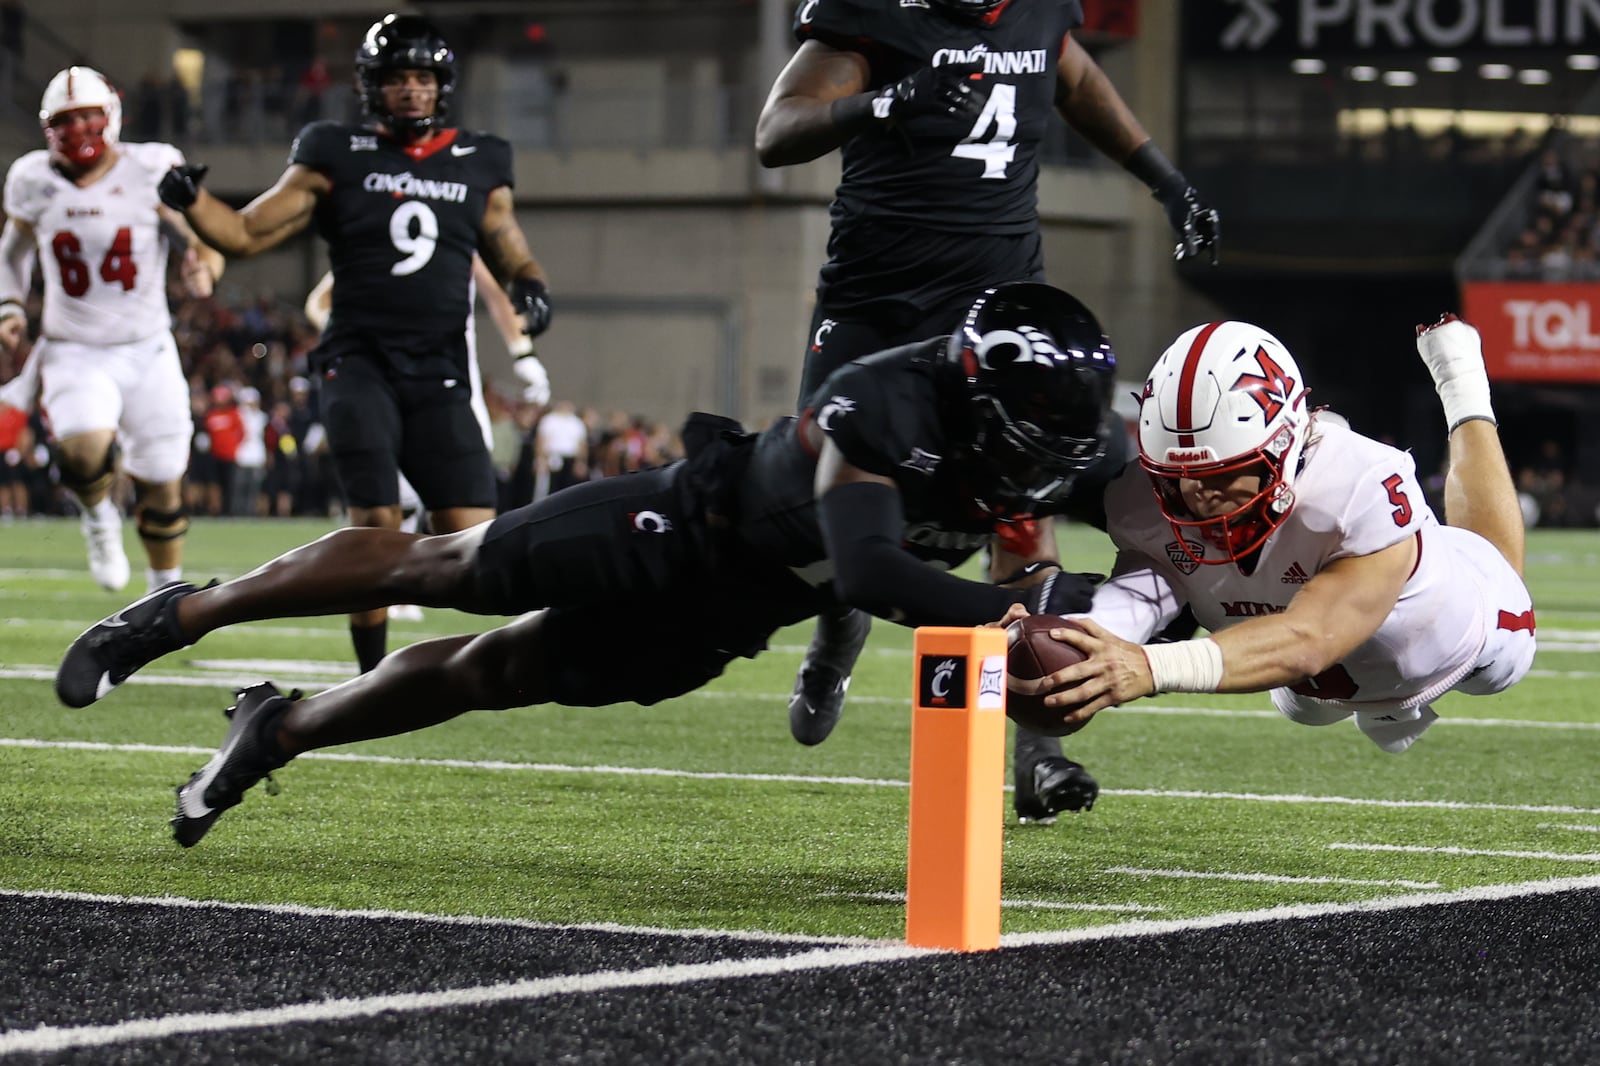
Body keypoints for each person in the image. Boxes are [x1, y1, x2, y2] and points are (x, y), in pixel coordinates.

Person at [57, 282, 1123, 846]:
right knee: (446, 565)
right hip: (680, 527)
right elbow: (874, 567)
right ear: (979, 405)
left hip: (724, 618)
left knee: (492, 675)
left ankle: (277, 728)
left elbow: (1127, 523)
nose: (1043, 474)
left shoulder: (1034, 446)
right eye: (1032, 446)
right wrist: (1013, 603)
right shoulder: (887, 400)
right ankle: (179, 611)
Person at [753, 0, 1220, 804]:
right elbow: (775, 132)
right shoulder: (874, 16)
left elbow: (1074, 81)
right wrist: (883, 103)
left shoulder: (1037, 13)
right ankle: (839, 630)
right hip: (879, 304)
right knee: (835, 516)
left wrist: (1167, 185)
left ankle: (1037, 748)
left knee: (1023, 512)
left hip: (999, 306)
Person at [155, 14, 555, 673]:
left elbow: (508, 241)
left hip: (440, 369)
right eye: (397, 78)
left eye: (422, 78)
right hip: (358, 360)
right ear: (373, 87)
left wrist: (532, 284)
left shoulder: (481, 158)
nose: (411, 91)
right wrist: (193, 203)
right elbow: (248, 234)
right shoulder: (334, 151)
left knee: (474, 541)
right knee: (376, 519)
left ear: (441, 85)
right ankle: (371, 672)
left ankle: (417, 638)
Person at [1005, 314, 1535, 754]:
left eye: (1221, 474)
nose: (1197, 495)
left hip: (1439, 637)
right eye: (1176, 476)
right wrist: (1069, 640)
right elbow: (1141, 596)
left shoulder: (1358, 488)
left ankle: (1463, 386)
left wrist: (1148, 665)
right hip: (1306, 673)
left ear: (1284, 446)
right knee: (1303, 708)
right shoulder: (1139, 497)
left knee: (1500, 628)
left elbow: (1308, 641)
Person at [0, 66, 225, 593]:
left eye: (87, 116)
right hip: (72, 346)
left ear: (111, 117)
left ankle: (162, 592)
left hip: (148, 346)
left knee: (163, 482)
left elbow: (204, 237)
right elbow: (12, 253)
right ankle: (99, 517)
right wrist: (9, 306)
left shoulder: (154, 167)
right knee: (82, 450)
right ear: (46, 127)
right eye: (65, 120)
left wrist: (204, 269)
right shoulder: (32, 178)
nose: (78, 129)